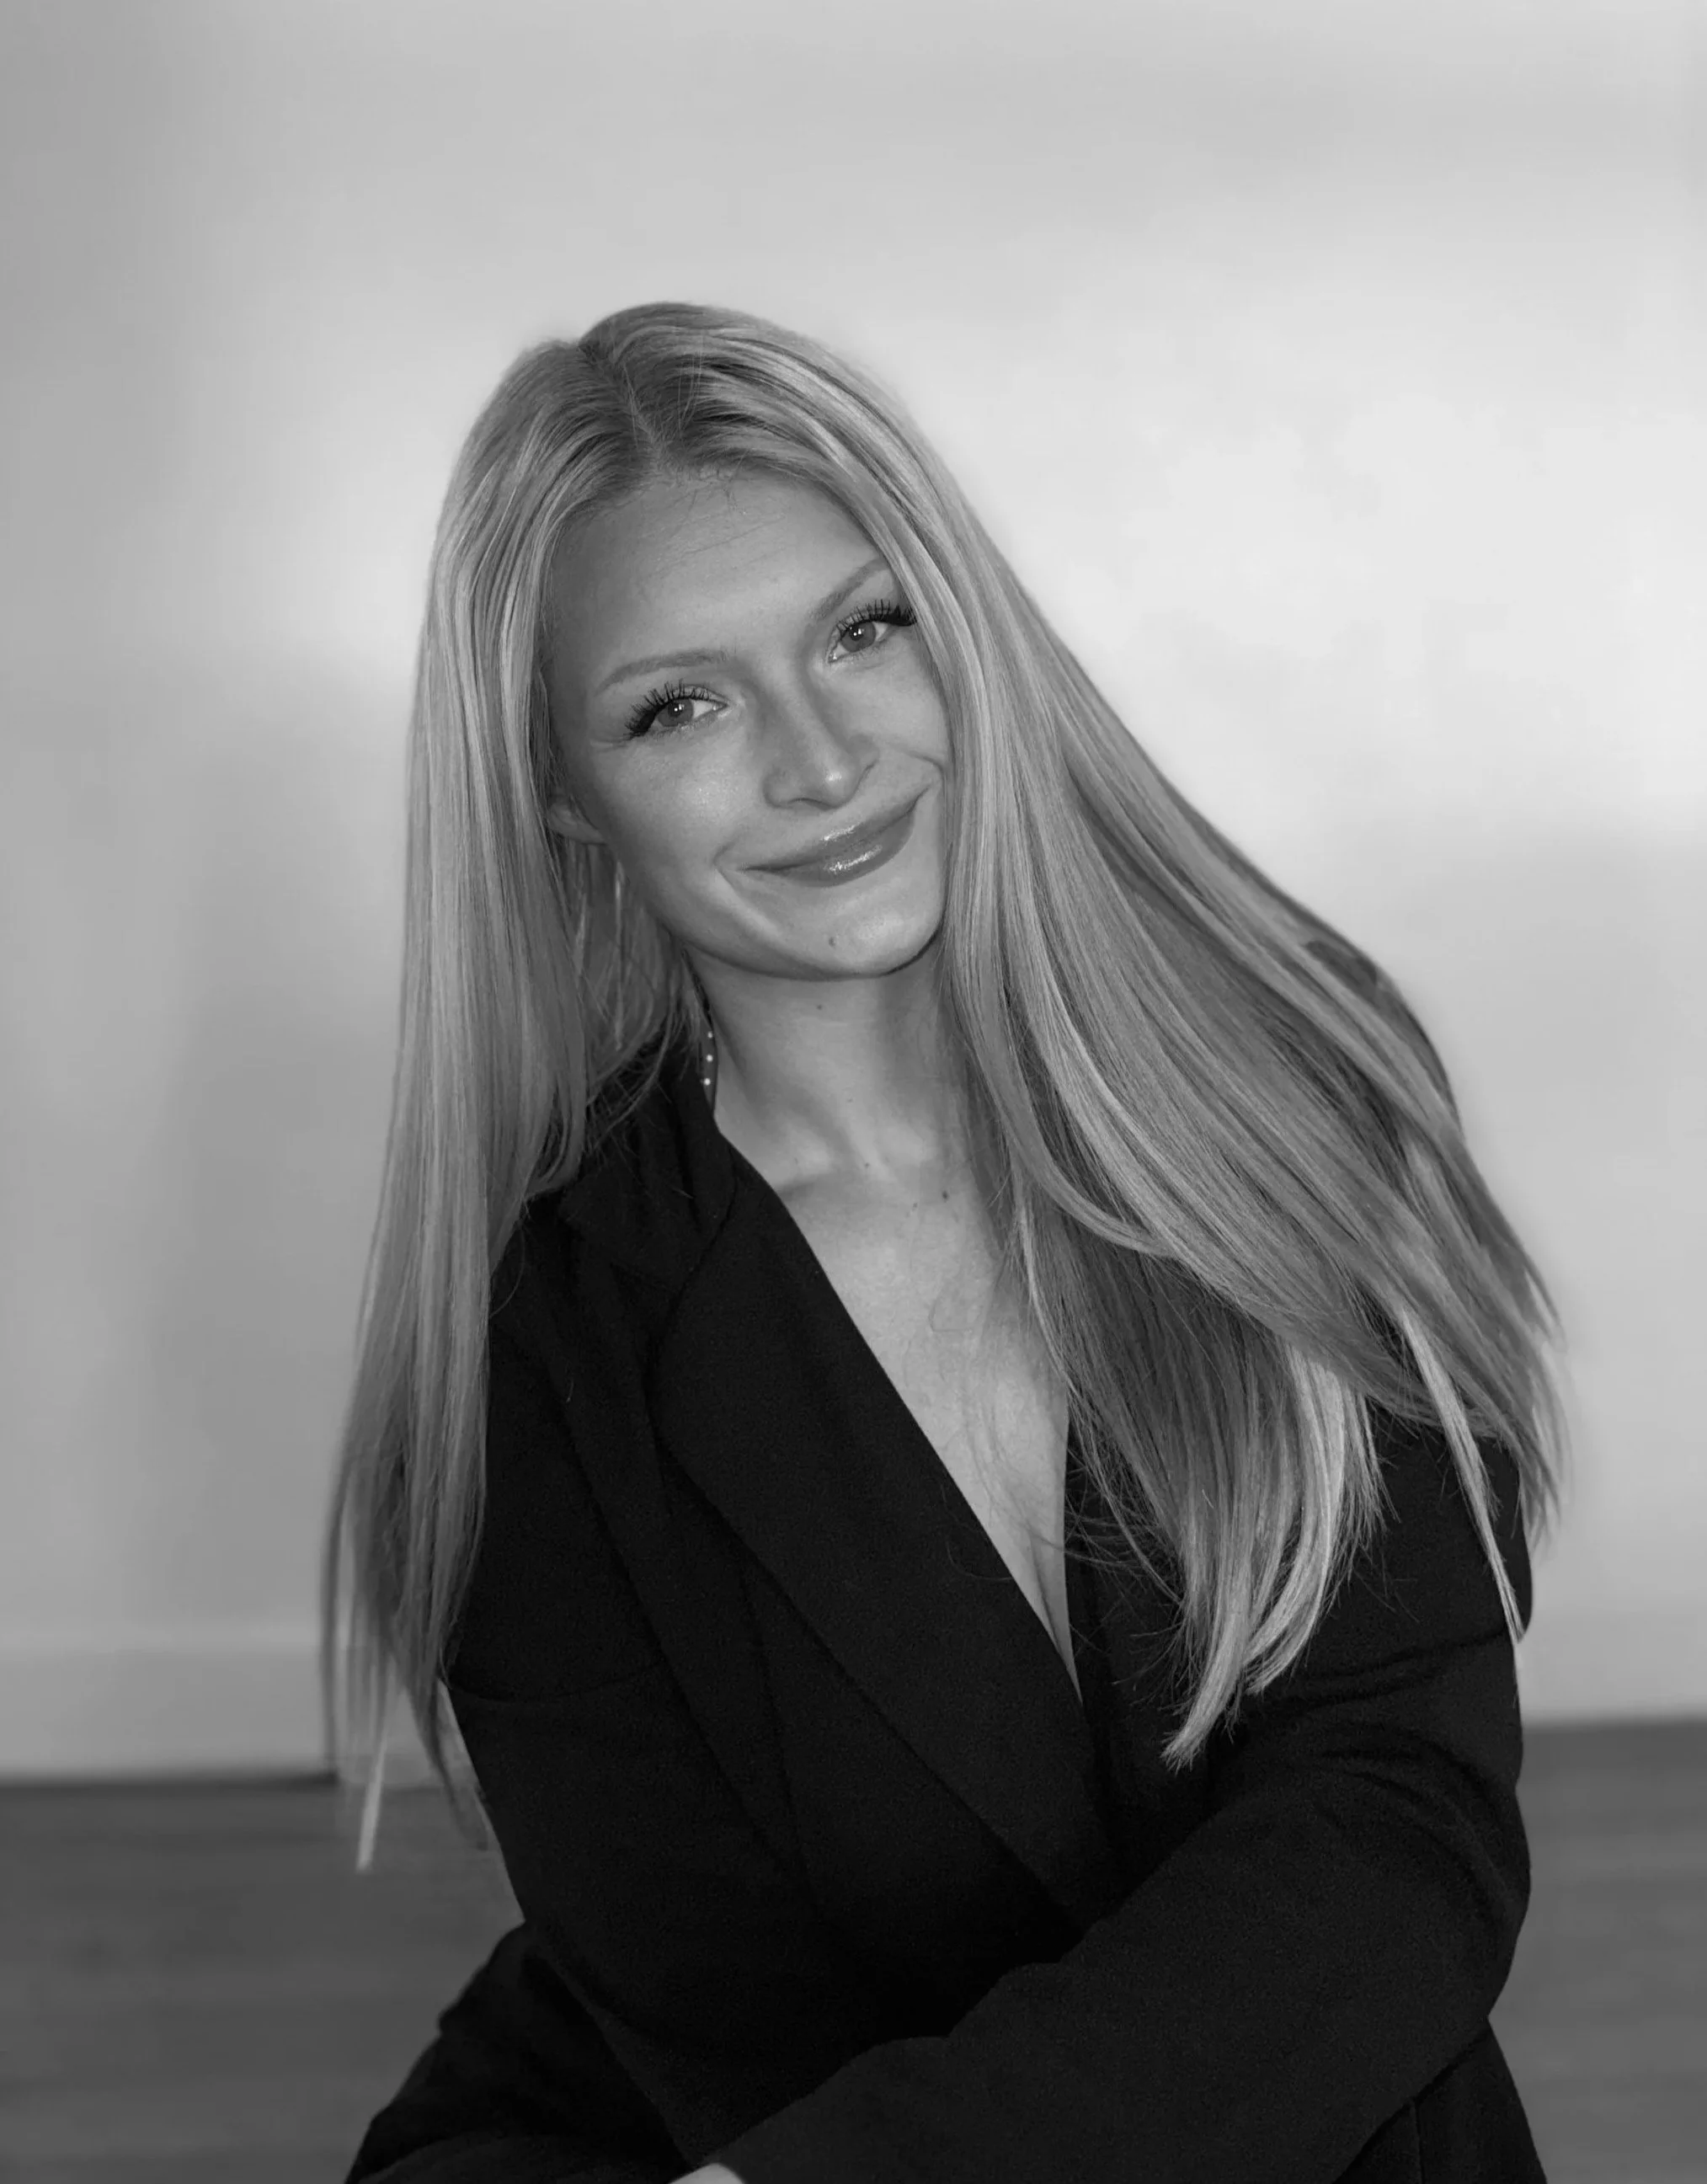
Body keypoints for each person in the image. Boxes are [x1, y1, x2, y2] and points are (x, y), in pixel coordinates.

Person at [322, 301, 1569, 2183]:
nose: (818, 763)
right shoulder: (532, 1353)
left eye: (861, 628)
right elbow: (710, 2014)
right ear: (562, 795)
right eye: (680, 703)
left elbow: (1395, 1826)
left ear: (958, 635)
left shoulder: (1290, 1077)